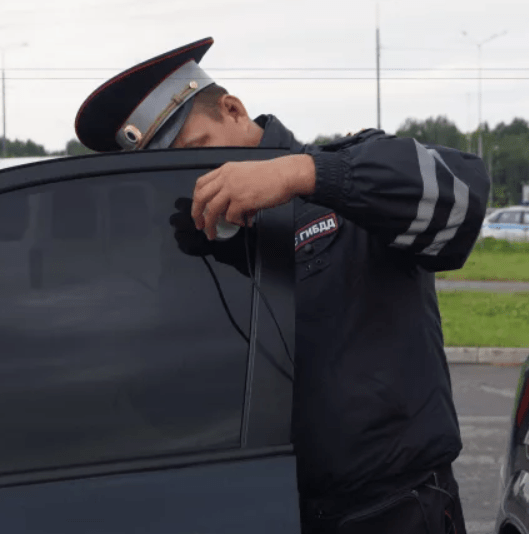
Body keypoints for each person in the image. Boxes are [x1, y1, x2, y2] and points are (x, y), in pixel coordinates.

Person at [74, 37, 490, 534]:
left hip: (392, 511)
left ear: (233, 109)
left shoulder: (344, 176)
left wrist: (303, 174)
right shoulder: (201, 238)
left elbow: (465, 198)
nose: (198, 175)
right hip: (265, 508)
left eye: (197, 150)